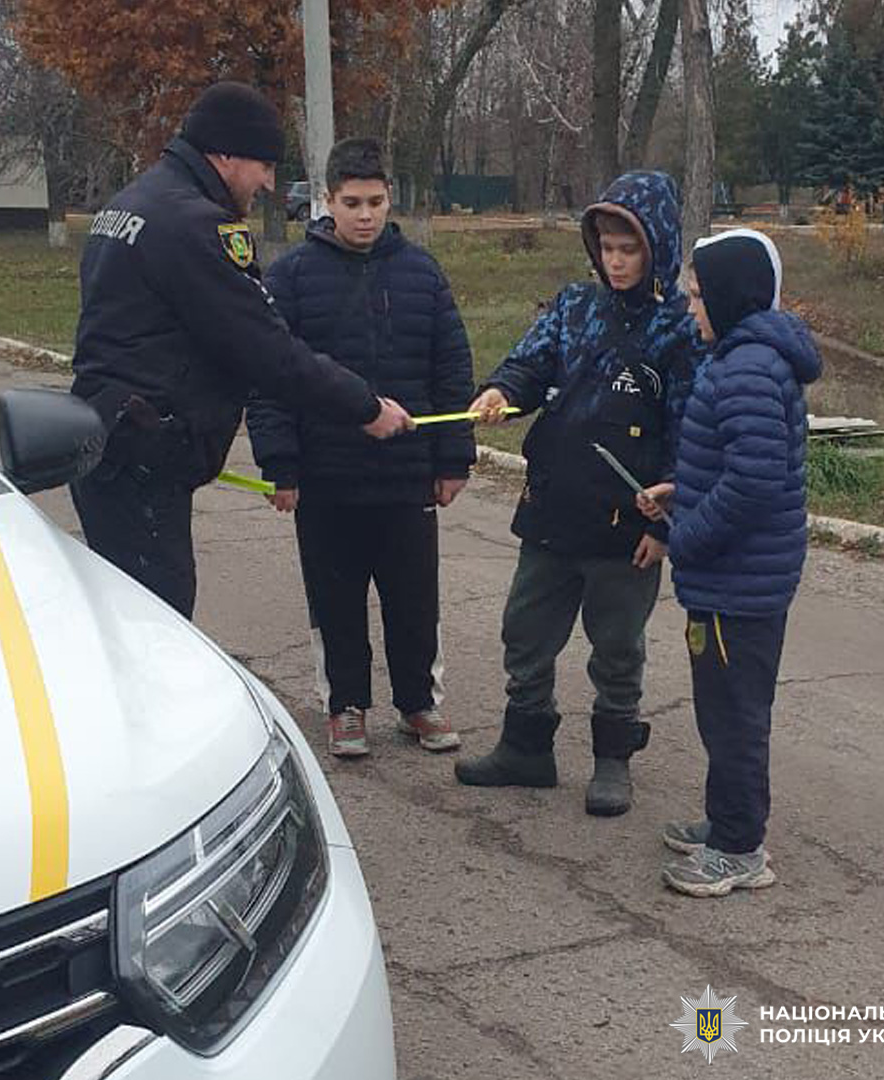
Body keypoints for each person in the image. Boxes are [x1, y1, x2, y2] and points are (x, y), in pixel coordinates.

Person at [70, 83, 412, 619]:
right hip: (142, 457)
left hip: (105, 443)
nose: (270, 183)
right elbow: (266, 350)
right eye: (265, 166)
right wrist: (364, 407)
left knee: (124, 617)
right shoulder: (195, 225)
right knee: (156, 627)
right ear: (225, 154)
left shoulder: (131, 204)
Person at [453, 171, 696, 816]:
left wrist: (665, 525)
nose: (615, 262)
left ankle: (613, 760)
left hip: (628, 527)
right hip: (552, 511)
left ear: (659, 249)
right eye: (607, 248)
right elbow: (530, 365)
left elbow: (688, 430)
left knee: (617, 648)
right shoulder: (573, 306)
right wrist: (503, 391)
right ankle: (525, 748)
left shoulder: (678, 330)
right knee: (524, 633)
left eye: (630, 249)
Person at [245, 138, 475, 758]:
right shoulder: (291, 276)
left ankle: (418, 704)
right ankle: (345, 706)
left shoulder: (421, 273)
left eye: (375, 201)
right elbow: (269, 377)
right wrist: (280, 465)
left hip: (407, 478)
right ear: (327, 200)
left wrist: (454, 458)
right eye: (352, 202)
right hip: (326, 480)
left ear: (390, 197)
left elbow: (451, 367)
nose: (365, 214)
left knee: (413, 600)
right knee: (336, 598)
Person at [639, 228, 822, 896]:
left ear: (729, 296)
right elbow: (736, 465)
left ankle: (741, 849)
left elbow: (752, 486)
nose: (690, 309)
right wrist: (681, 491)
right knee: (725, 709)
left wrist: (684, 535)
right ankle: (726, 823)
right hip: (738, 576)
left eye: (697, 296)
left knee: (734, 716)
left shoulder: (746, 367)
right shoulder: (745, 357)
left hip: (738, 583)